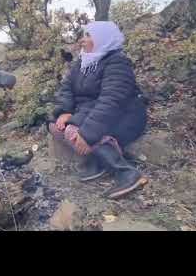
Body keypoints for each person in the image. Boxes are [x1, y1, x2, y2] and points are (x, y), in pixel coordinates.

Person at [49, 21, 148, 199]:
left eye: (88, 36)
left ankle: (126, 172)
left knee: (75, 129)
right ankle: (96, 163)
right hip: (92, 112)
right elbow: (66, 88)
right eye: (83, 36)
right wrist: (65, 111)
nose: (82, 40)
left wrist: (88, 133)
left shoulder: (116, 62)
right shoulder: (83, 62)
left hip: (124, 116)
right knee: (56, 124)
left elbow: (112, 100)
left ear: (103, 39)